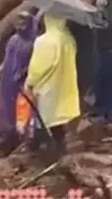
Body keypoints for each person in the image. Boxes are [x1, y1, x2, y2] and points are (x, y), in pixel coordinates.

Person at [25, 13, 80, 159]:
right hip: (63, 86)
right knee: (57, 120)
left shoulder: (44, 41)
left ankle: (38, 151)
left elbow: (37, 68)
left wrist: (30, 82)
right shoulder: (68, 39)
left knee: (41, 118)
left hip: (46, 86)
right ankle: (60, 149)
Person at [0, 8, 38, 154]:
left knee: (22, 113)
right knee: (5, 111)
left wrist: (24, 74)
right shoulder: (13, 40)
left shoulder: (34, 43)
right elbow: (4, 62)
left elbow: (34, 64)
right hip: (7, 83)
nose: (20, 25)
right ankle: (3, 141)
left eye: (24, 21)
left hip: (22, 84)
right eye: (19, 21)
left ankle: (21, 141)